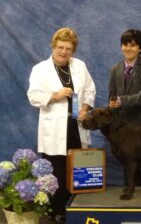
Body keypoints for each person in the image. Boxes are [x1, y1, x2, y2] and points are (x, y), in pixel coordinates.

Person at [27, 27, 96, 223]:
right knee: (57, 171)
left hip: (76, 125)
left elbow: (90, 89)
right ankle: (58, 212)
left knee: (78, 170)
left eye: (68, 48)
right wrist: (54, 96)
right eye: (60, 47)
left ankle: (80, 212)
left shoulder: (80, 66)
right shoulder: (40, 69)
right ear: (53, 46)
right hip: (54, 129)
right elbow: (32, 96)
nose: (63, 52)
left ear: (73, 50)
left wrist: (85, 107)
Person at [108, 29, 141, 186]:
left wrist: (121, 101)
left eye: (133, 45)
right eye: (125, 45)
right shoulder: (115, 70)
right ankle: (133, 202)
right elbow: (112, 98)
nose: (128, 48)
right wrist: (111, 105)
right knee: (130, 169)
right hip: (125, 131)